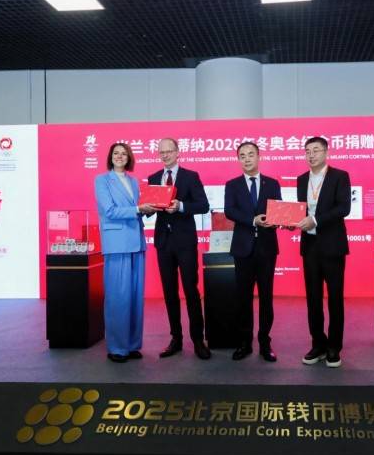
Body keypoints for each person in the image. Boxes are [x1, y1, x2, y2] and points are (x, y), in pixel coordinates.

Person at [148, 138, 212, 360]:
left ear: (178, 152)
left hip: (185, 242)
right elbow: (149, 208)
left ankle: (198, 340)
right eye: (161, 152)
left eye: (169, 151)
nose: (165, 155)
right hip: (163, 242)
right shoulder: (154, 178)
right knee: (169, 292)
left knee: (191, 291)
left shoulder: (190, 176)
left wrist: (182, 206)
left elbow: (203, 205)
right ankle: (176, 338)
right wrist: (146, 207)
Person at [94, 143, 157, 363]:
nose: (120, 156)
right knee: (117, 297)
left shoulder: (133, 182)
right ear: (110, 157)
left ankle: (131, 345)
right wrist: (139, 209)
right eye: (116, 153)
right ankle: (116, 347)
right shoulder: (102, 180)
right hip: (117, 243)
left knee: (135, 297)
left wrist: (154, 207)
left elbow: (138, 209)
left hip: (136, 241)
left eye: (124, 153)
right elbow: (109, 211)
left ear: (129, 158)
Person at [295, 136, 351, 368]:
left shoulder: (340, 176)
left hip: (332, 245)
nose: (311, 155)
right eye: (307, 151)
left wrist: (315, 220)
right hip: (309, 246)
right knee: (313, 298)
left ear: (326, 152)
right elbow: (301, 210)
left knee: (335, 298)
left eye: (316, 150)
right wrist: (292, 221)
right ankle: (318, 343)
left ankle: (334, 347)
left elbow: (343, 208)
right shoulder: (301, 179)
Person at [223, 142, 281, 362]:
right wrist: (252, 220)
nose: (246, 159)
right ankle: (244, 343)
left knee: (266, 297)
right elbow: (230, 211)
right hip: (243, 248)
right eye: (242, 156)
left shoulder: (272, 184)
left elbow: (279, 210)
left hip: (267, 248)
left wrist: (279, 220)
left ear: (259, 157)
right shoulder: (232, 185)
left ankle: (265, 343)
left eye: (250, 155)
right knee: (243, 298)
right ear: (239, 159)